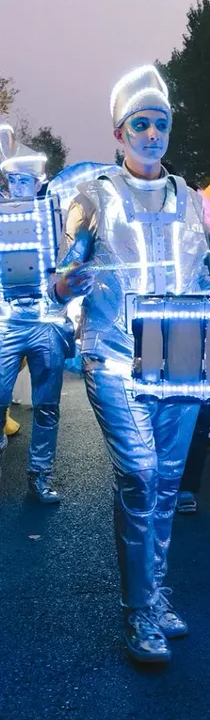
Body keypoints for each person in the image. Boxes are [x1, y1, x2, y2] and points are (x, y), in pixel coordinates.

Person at [52, 65, 210, 663]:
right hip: (111, 357)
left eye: (161, 123)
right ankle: (139, 615)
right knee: (140, 474)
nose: (152, 133)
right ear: (119, 131)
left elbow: (201, 276)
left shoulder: (190, 199)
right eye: (141, 123)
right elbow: (58, 282)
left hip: (178, 357)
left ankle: (154, 596)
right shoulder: (92, 195)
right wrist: (68, 279)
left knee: (164, 486)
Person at [0, 124, 71, 502]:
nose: (20, 185)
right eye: (14, 178)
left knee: (47, 405)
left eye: (27, 178)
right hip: (6, 321)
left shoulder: (54, 212)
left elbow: (67, 257)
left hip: (45, 321)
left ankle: (39, 477)